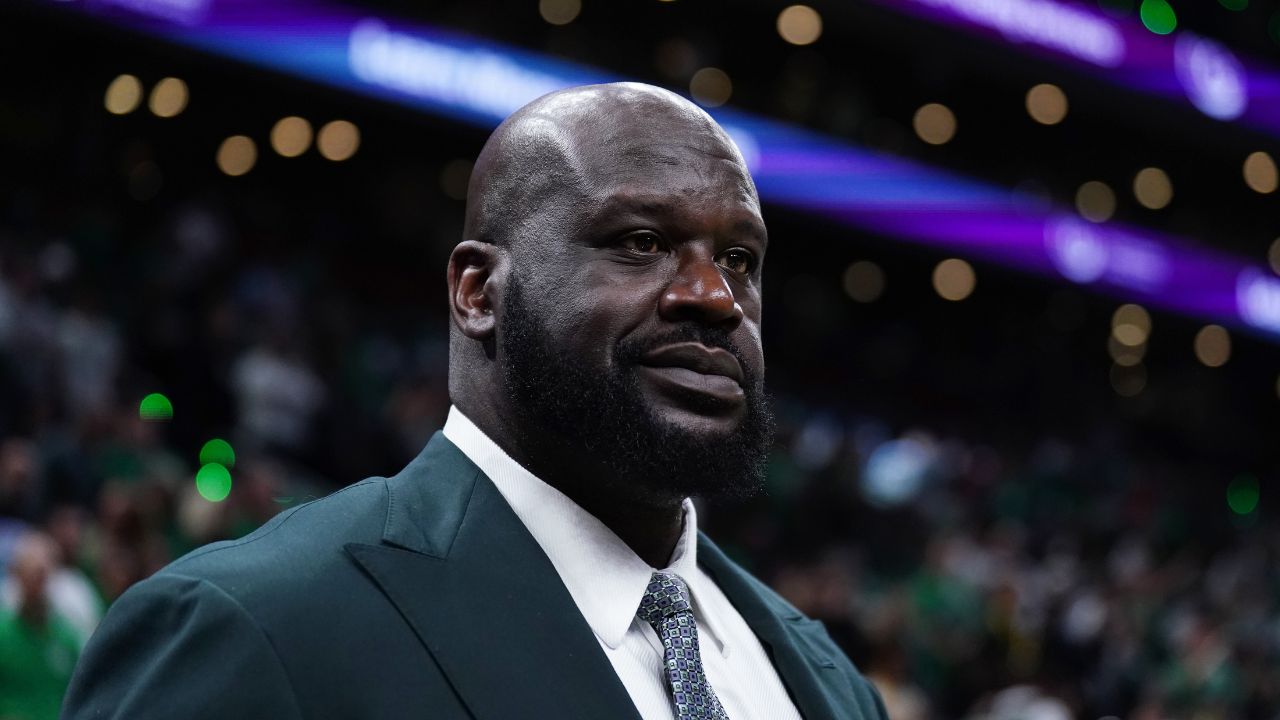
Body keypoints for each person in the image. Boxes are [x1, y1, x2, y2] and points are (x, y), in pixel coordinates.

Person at [62, 83, 889, 720]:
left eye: (741, 259)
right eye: (642, 243)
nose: (716, 296)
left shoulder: (828, 683)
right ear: (477, 292)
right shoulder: (252, 628)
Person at [0, 532, 81, 720]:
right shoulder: (2, 633)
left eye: (41, 575)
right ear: (16, 575)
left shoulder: (67, 636)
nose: (36, 584)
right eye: (29, 574)